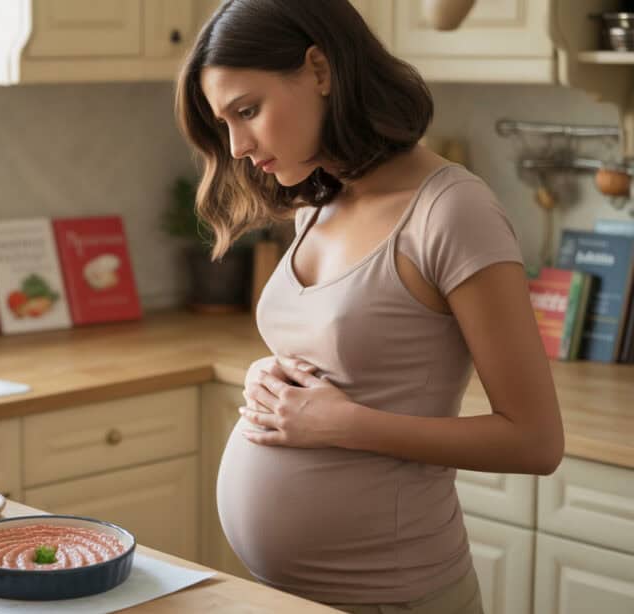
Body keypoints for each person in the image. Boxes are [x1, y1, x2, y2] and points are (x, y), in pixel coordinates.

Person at [174, 1, 564, 613]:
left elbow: (536, 441)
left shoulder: (451, 211)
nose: (239, 145)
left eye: (247, 111)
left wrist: (342, 425)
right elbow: (353, 359)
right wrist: (269, 379)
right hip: (289, 596)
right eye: (224, 123)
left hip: (396, 597)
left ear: (320, 70)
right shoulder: (317, 201)